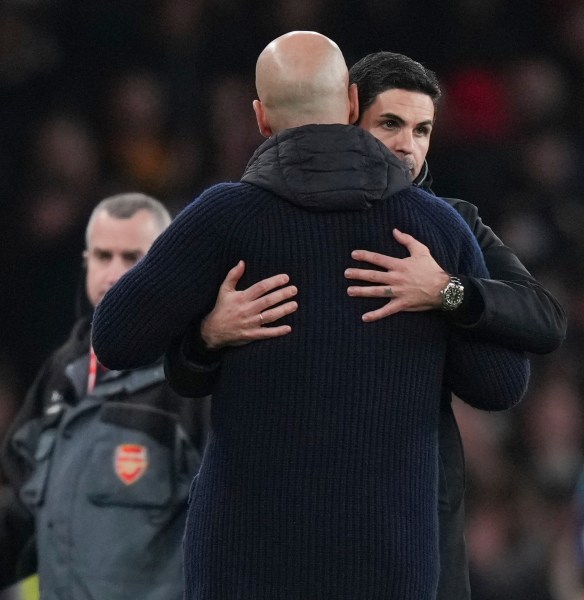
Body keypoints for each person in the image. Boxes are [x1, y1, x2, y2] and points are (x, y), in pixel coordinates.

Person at [91, 31, 530, 599]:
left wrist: (205, 333)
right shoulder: (434, 227)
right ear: (351, 104)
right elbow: (501, 383)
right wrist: (446, 296)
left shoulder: (222, 220)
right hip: (389, 560)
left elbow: (115, 338)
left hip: (247, 561)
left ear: (260, 118)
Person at [0, 193, 210, 600]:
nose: (114, 274)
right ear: (85, 262)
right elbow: (20, 520)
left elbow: (229, 528)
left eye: (133, 257)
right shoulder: (61, 375)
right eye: (102, 256)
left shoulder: (191, 384)